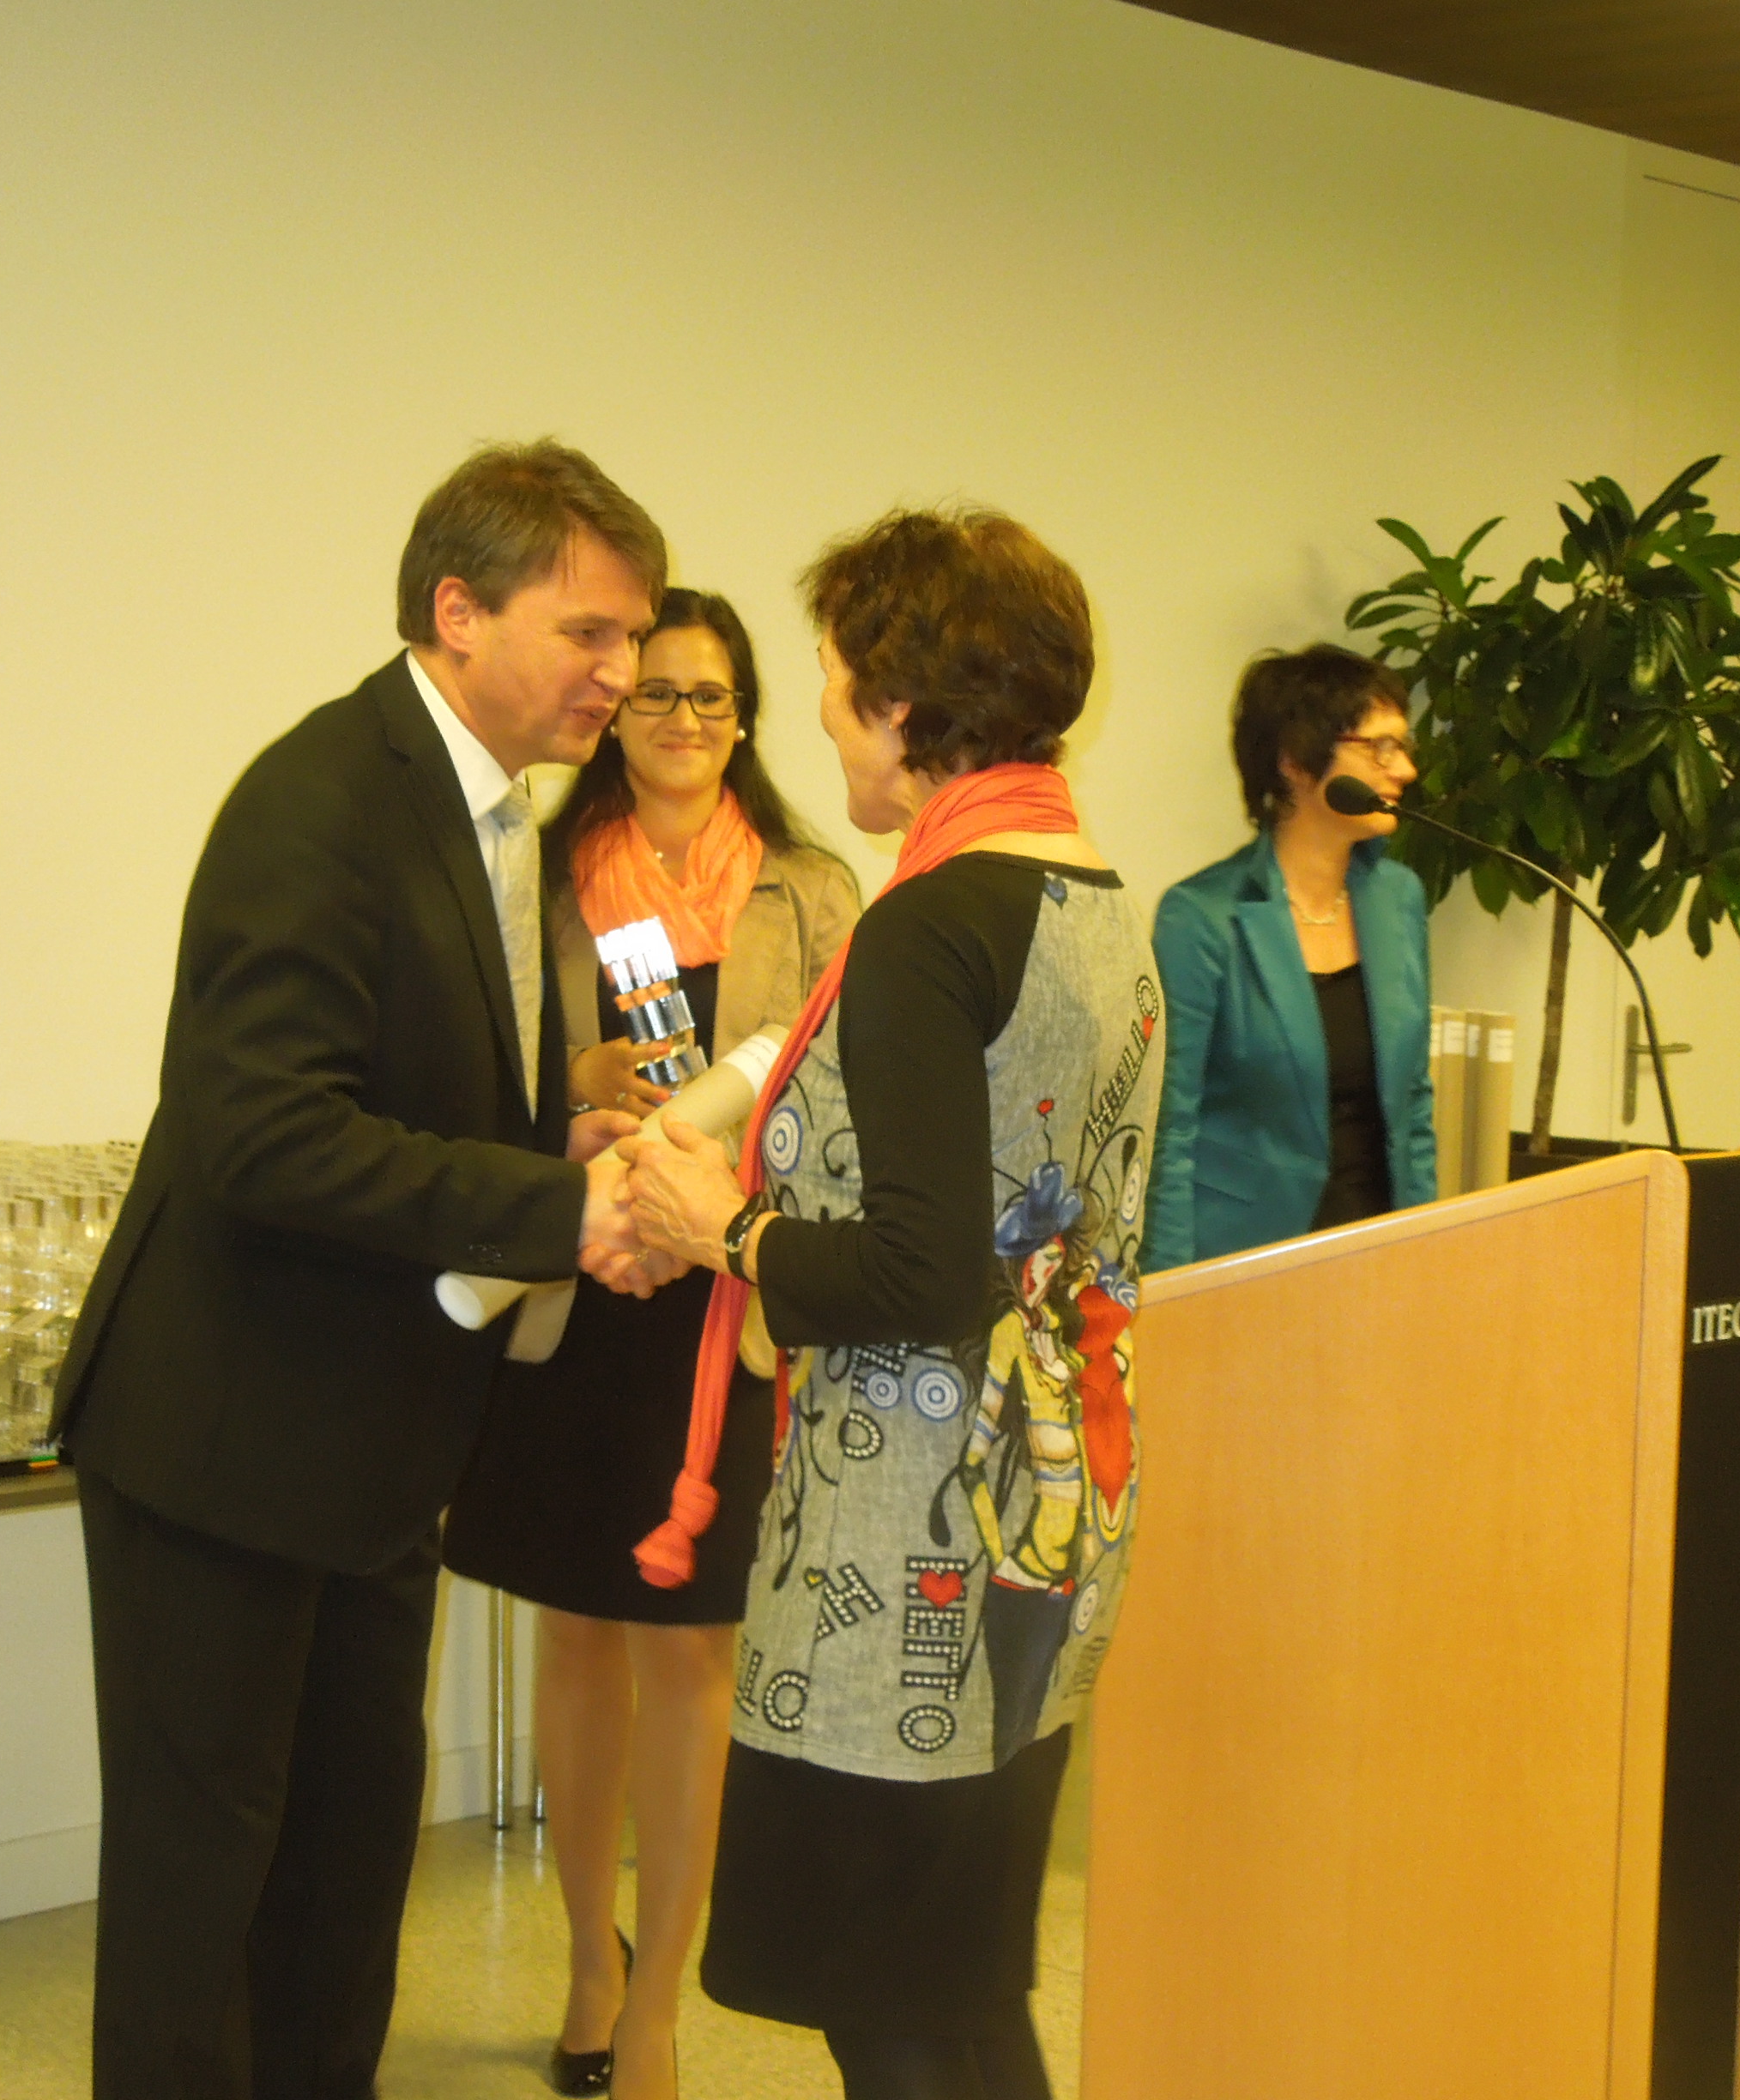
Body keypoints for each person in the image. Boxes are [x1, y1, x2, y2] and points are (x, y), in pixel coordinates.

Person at [51, 441, 677, 2100]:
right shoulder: (318, 799)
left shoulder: (497, 811)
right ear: (456, 611)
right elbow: (261, 1133)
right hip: (227, 1440)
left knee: (337, 1885)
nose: (621, 673)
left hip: (376, 1452)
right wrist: (548, 1208)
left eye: (632, 636)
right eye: (590, 631)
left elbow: (406, 1093)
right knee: (203, 1900)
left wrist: (558, 1142)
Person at [624, 509, 1162, 2100]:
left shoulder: (930, 925)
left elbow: (920, 1274)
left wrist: (728, 1229)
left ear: (903, 705)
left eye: (833, 678)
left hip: (908, 1531)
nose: (822, 713)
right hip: (1046, 1507)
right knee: (956, 1979)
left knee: (897, 2004)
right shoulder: (1094, 895)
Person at [441, 588, 859, 2100]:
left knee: (691, 1650)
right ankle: (586, 1961)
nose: (682, 719)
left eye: (710, 695)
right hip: (578, 1289)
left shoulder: (811, 891)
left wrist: (719, 1179)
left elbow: (848, 1101)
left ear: (744, 718)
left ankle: (660, 2002)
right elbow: (477, 1082)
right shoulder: (541, 874)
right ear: (613, 712)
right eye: (654, 693)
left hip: (723, 1303)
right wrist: (575, 1088)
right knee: (575, 1634)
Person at [1145, 643, 1435, 1272]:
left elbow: (1413, 1107)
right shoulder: (1201, 918)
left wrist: (1425, 1256)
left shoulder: (1399, 901)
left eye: (1403, 745)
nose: (1406, 769)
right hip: (1242, 1261)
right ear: (1296, 763)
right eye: (1380, 747)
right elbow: (1170, 1128)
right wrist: (1167, 1292)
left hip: (1378, 1255)